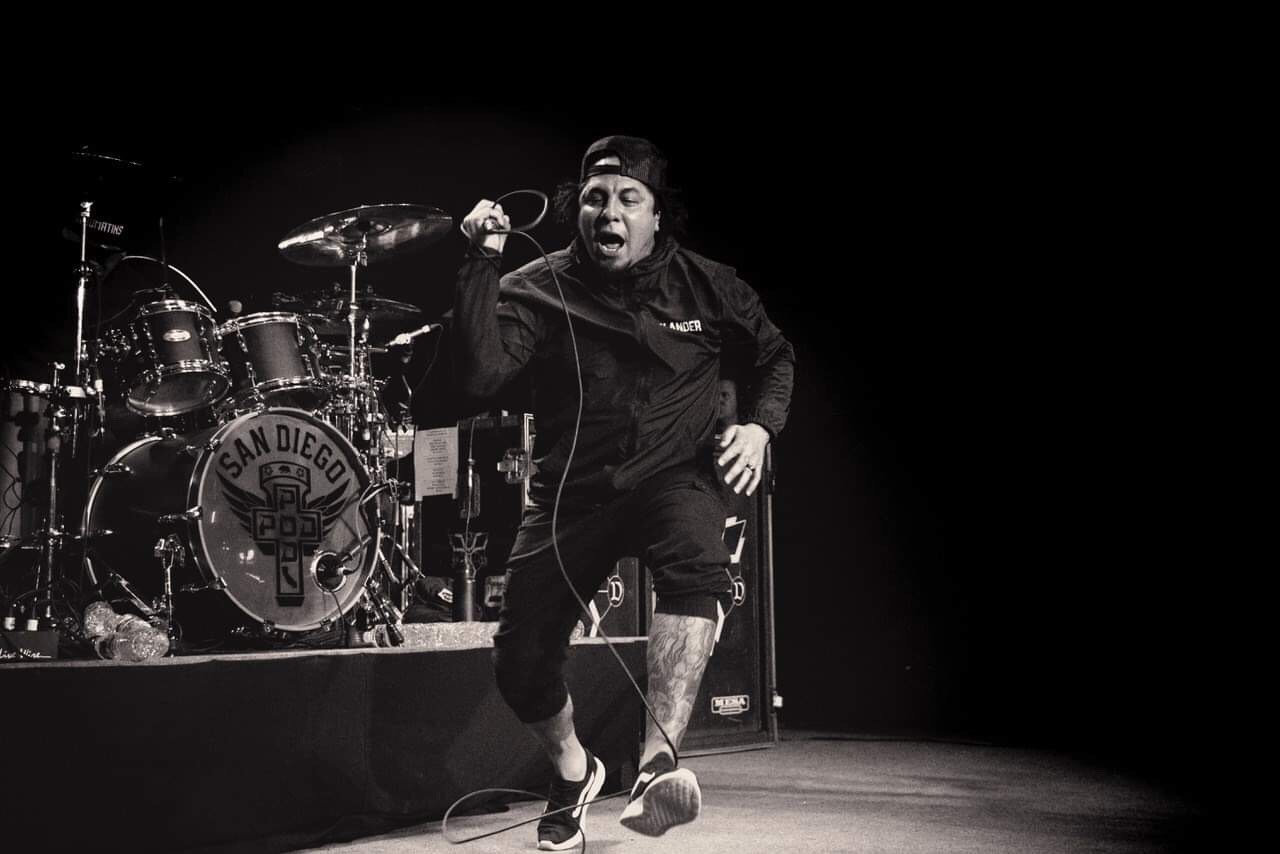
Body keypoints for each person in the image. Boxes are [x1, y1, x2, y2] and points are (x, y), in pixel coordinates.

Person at [452, 135, 794, 849]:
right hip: (571, 492)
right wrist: (482, 262)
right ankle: (574, 773)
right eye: (595, 198)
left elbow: (775, 354)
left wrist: (761, 427)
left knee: (697, 564)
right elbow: (483, 376)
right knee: (519, 660)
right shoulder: (538, 284)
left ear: (655, 216)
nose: (609, 211)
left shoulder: (707, 284)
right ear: (577, 210)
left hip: (674, 475)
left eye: (628, 199)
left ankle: (656, 766)